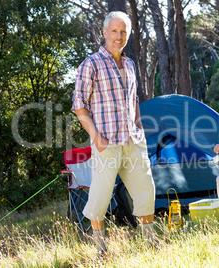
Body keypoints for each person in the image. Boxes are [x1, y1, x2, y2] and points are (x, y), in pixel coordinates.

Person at [72, 11, 156, 255]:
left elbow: (134, 100)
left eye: (123, 32)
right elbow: (79, 104)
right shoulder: (91, 64)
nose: (119, 36)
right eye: (114, 31)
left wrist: (139, 128)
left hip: (133, 141)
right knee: (99, 197)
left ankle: (149, 243)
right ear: (105, 33)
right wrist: (96, 137)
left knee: (146, 191)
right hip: (106, 143)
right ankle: (101, 249)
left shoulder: (129, 64)